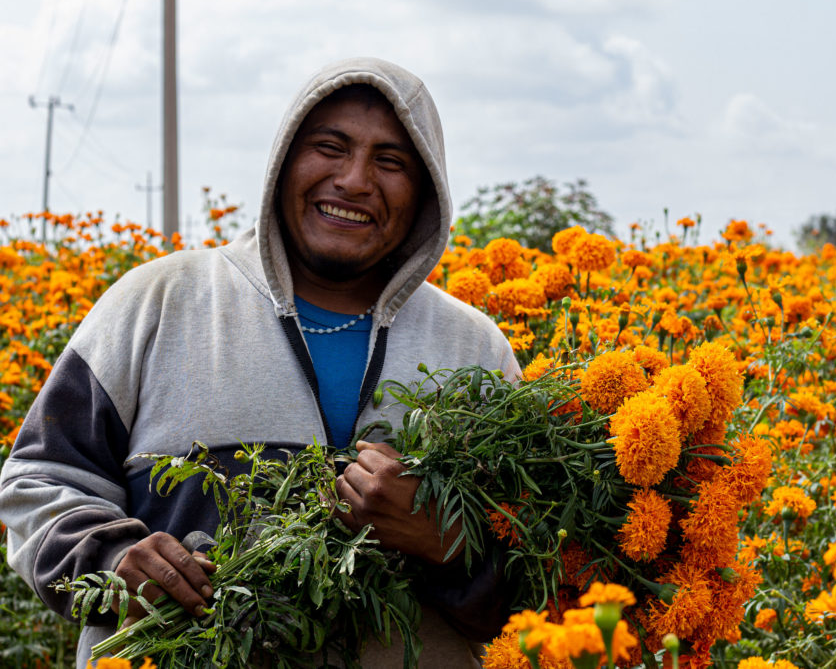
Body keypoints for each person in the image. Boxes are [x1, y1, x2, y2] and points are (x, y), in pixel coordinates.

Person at [0, 58, 520, 668]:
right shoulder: (157, 302)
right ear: (284, 161)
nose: (354, 180)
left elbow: (540, 571)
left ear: (425, 192)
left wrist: (446, 541)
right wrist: (111, 559)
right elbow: (38, 481)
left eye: (391, 161)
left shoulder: (475, 350)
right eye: (329, 147)